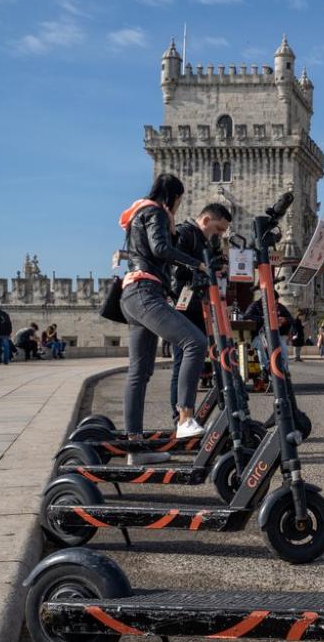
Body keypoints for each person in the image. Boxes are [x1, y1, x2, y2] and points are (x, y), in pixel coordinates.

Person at [119, 173, 209, 465]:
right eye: (179, 201)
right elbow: (160, 249)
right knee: (195, 341)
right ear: (172, 196)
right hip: (145, 291)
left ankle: (135, 448)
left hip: (131, 294)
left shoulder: (136, 214)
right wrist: (197, 263)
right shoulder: (155, 211)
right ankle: (184, 416)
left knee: (139, 373)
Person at [169, 202, 232, 419]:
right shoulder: (185, 234)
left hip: (198, 305)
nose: (220, 234)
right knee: (182, 361)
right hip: (181, 304)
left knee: (194, 362)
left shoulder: (206, 241)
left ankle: (189, 415)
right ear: (206, 220)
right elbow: (175, 267)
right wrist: (202, 268)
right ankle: (180, 417)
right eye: (218, 229)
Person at [244, 293, 293, 388]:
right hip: (258, 335)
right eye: (274, 302)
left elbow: (291, 319)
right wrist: (264, 319)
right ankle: (266, 368)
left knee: (283, 346)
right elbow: (246, 316)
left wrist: (284, 320)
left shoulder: (279, 307)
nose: (276, 304)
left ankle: (284, 370)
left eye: (276, 302)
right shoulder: (255, 305)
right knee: (260, 344)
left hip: (274, 335)